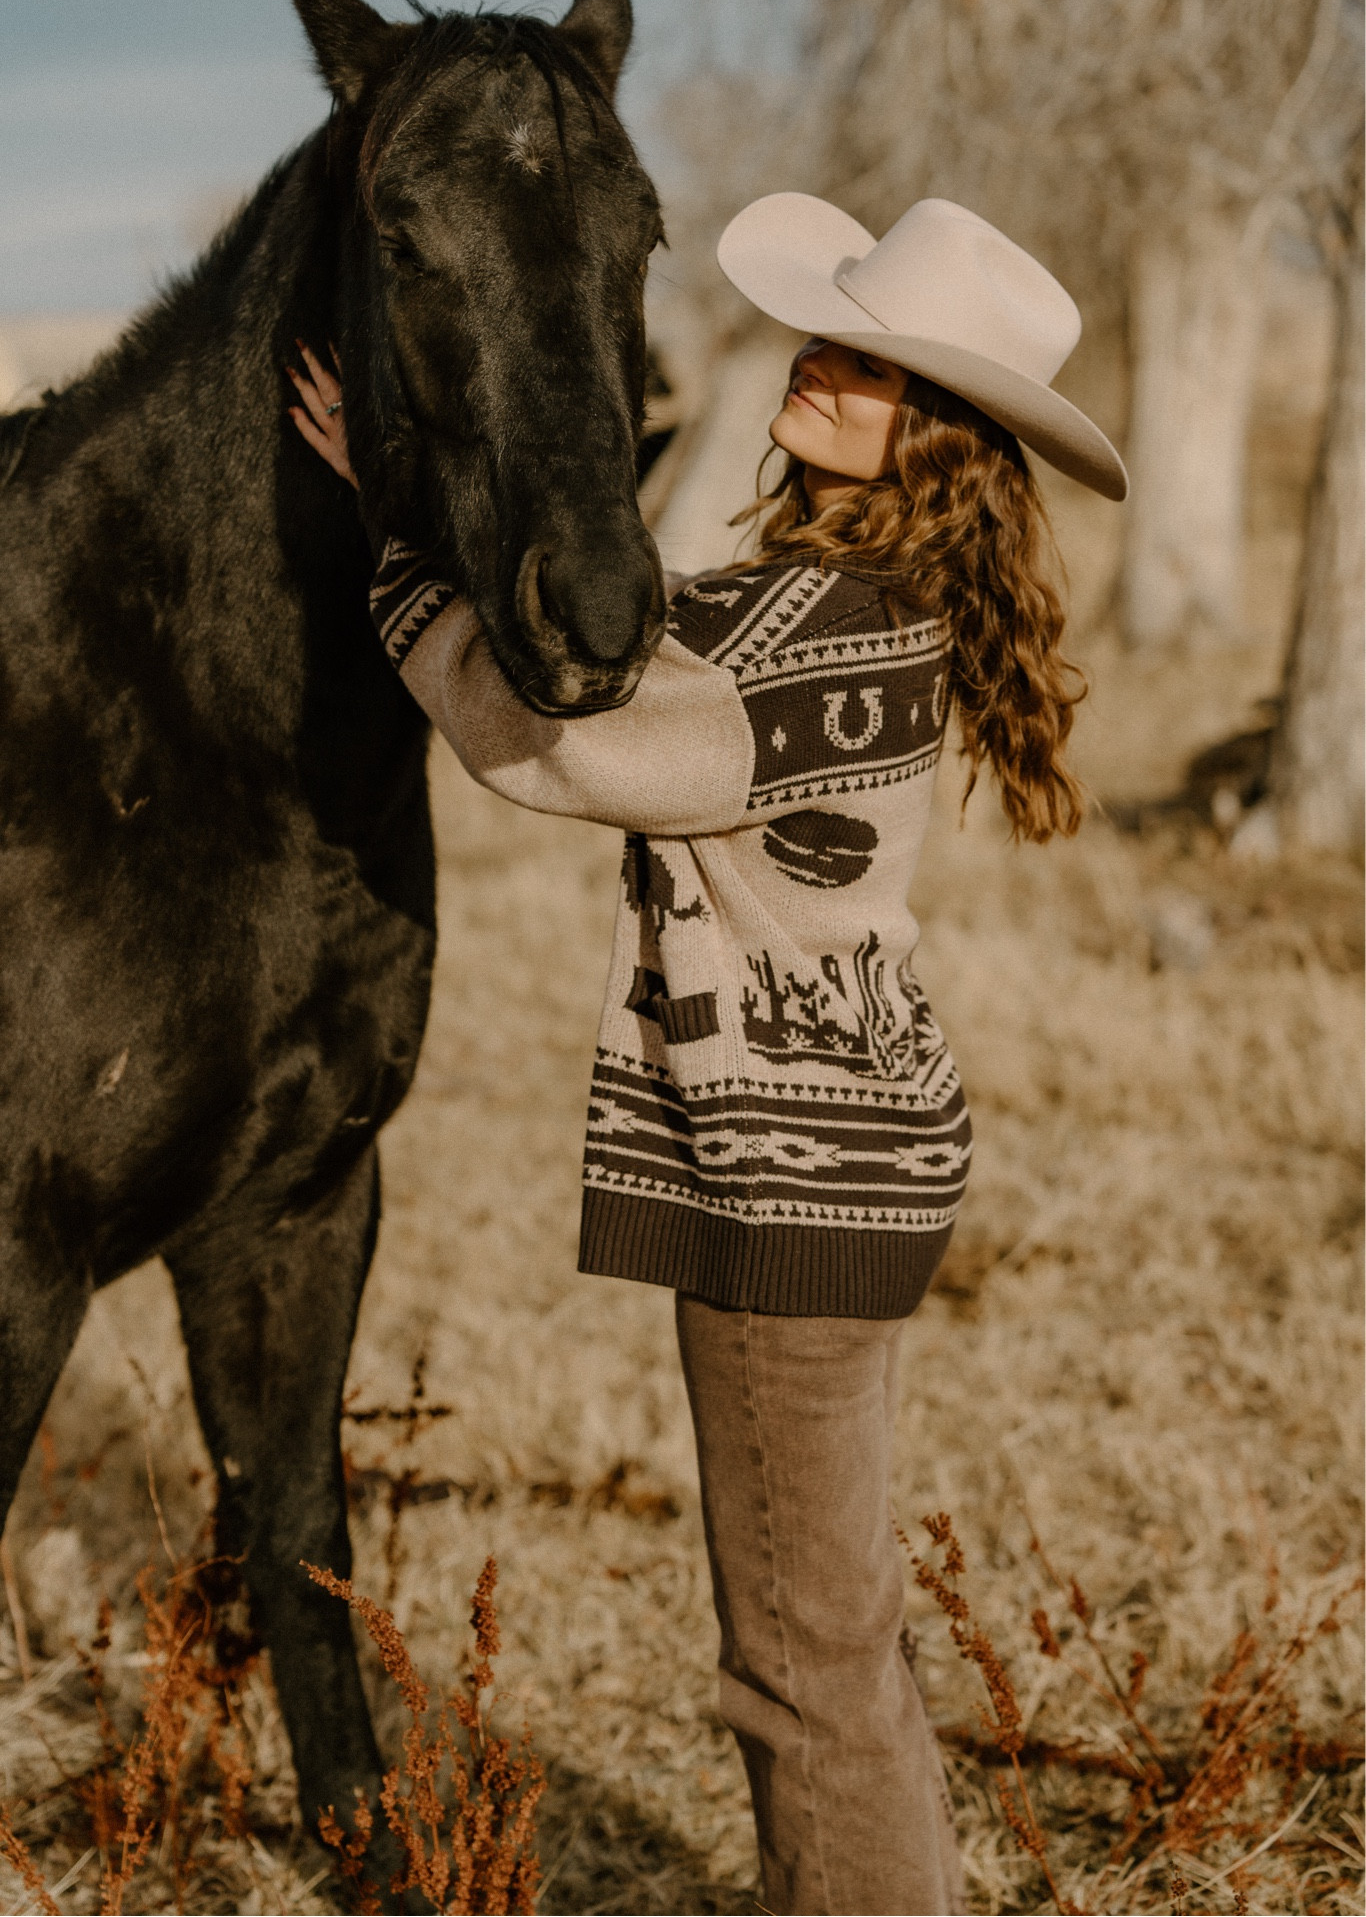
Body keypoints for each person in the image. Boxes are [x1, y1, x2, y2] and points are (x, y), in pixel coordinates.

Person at [290, 192, 1126, 1917]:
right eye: (830, 335)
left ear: (940, 436)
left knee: (798, 1663)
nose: (821, 364)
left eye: (873, 365)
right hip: (858, 1165)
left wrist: (389, 534)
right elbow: (647, 624)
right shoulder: (830, 597)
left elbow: (553, 743)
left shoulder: (809, 627)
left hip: (790, 1187)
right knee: (840, 1632)